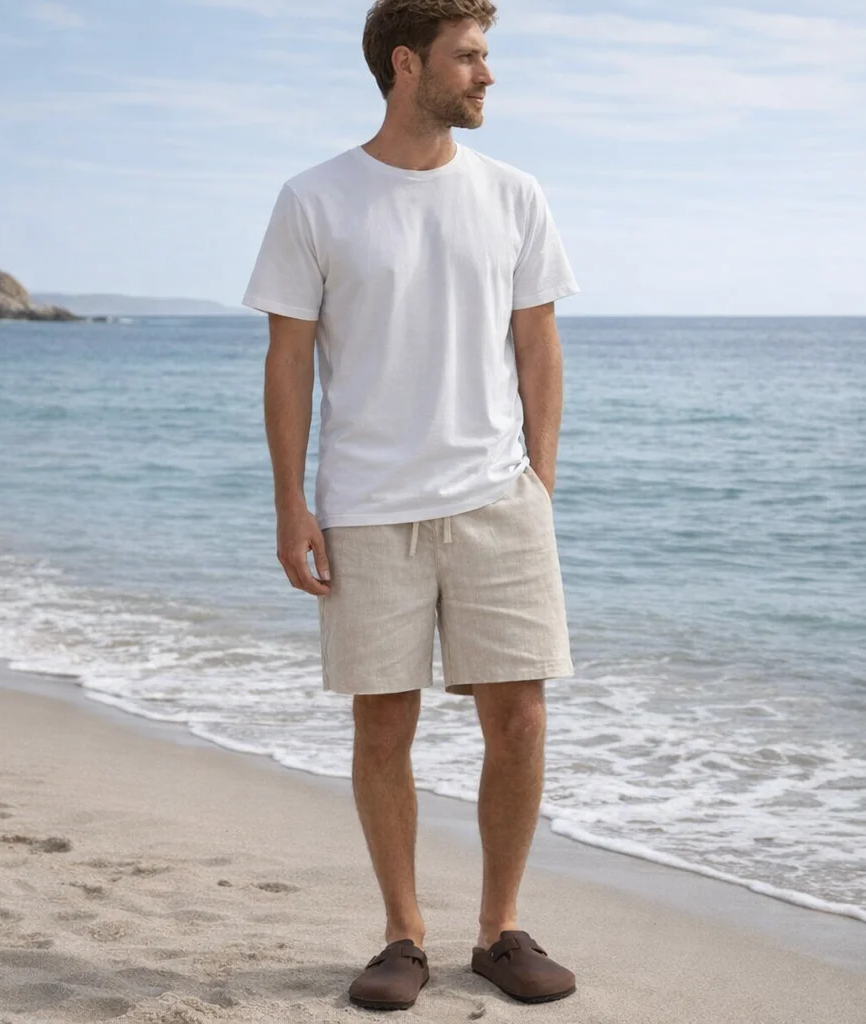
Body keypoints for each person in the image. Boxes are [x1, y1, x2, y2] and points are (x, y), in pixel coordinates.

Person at [243, 0, 580, 1010]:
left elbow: (537, 344)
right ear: (406, 63)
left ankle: (499, 929)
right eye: (469, 56)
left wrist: (540, 482)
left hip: (495, 500)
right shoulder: (315, 198)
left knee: (518, 718)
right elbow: (289, 360)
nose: (487, 75)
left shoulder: (514, 194)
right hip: (368, 506)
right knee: (382, 727)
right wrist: (289, 504)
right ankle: (402, 936)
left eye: (486, 56)